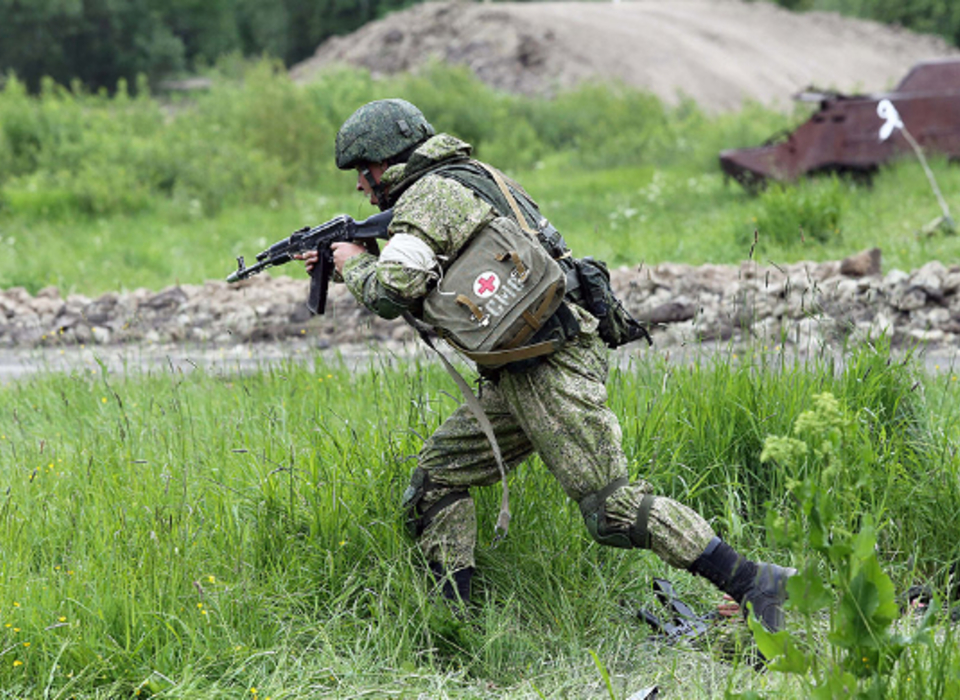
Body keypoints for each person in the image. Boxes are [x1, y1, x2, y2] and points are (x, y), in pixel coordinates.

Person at [299, 98, 794, 632]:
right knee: (436, 482)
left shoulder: (426, 197)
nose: (359, 185)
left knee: (612, 509)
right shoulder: (469, 175)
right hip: (526, 361)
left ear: (384, 163)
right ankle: (457, 628)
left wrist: (353, 264)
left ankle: (756, 584)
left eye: (361, 172)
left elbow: (394, 291)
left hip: (547, 365)